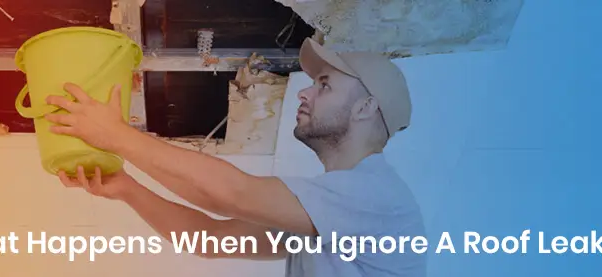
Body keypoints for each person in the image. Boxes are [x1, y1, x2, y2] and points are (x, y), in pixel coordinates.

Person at [44, 37, 427, 277]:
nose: (304, 94)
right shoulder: (326, 213)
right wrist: (128, 188)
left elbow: (232, 194)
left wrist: (116, 136)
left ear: (366, 107)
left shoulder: (376, 196)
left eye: (324, 84)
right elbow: (209, 239)